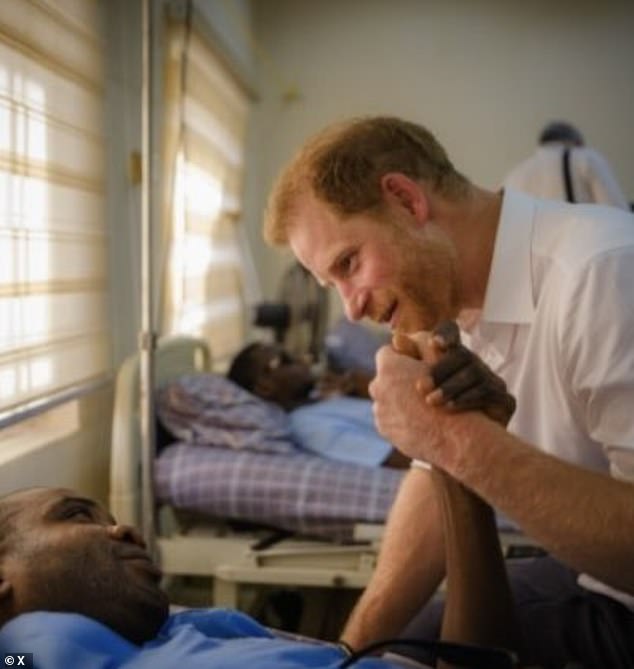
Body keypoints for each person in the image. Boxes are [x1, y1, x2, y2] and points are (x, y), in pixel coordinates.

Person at [262, 115, 634, 668]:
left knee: (422, 654)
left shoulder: (602, 274)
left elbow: (455, 450)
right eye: (332, 284)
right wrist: (347, 653)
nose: (352, 307)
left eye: (350, 264)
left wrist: (455, 439)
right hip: (589, 575)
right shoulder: (453, 305)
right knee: (397, 644)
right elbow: (434, 482)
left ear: (406, 200)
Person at [0, 486, 518, 669]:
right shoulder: (23, 650)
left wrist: (457, 466)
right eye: (75, 515)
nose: (124, 529)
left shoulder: (188, 632)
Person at [227, 340, 410, 468]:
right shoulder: (307, 427)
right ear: (264, 386)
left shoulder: (322, 401)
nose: (302, 359)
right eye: (286, 359)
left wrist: (368, 388)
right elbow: (399, 460)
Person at [503, 120, 629, 209]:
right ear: (577, 142)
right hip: (580, 243)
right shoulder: (585, 157)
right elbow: (617, 211)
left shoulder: (514, 174)